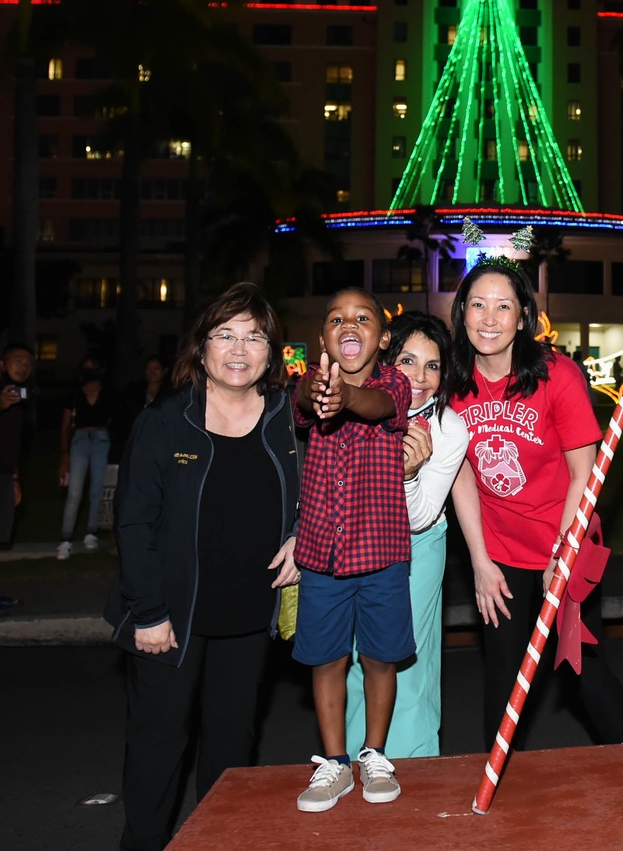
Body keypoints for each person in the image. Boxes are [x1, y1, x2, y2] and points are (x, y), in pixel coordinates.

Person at [104, 282, 300, 851]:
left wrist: (301, 538)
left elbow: (323, 487)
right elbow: (135, 521)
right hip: (170, 617)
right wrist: (148, 612)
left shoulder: (288, 419)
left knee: (231, 750)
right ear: (203, 347)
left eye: (254, 337)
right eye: (226, 335)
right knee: (158, 745)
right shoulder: (166, 420)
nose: (239, 350)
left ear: (271, 351)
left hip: (248, 616)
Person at [448, 258, 623, 751]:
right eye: (477, 304)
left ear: (523, 317)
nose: (489, 318)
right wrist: (479, 561)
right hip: (502, 552)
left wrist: (563, 551)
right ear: (462, 313)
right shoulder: (454, 382)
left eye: (503, 306)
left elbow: (585, 473)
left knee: (583, 670)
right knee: (505, 676)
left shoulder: (557, 375)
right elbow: (462, 474)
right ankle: (499, 797)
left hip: (567, 539)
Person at [292, 288, 413, 813]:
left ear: (382, 338)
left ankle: (374, 754)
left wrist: (344, 397)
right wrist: (320, 392)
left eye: (363, 318)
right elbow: (301, 401)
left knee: (381, 659)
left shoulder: (394, 384)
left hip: (382, 555)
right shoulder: (309, 385)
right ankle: (335, 763)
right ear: (323, 337)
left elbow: (378, 405)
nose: (349, 324)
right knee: (326, 660)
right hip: (322, 557)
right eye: (337, 318)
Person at [344, 311, 469, 758]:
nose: (420, 377)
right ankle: (359, 761)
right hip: (358, 544)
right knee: (358, 659)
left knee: (405, 660)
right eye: (408, 361)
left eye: (432, 366)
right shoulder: (359, 408)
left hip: (417, 546)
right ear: (386, 362)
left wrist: (410, 474)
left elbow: (418, 517)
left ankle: (412, 762)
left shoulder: (449, 429)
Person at [0, 344, 35, 617]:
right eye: (18, 360)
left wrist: (15, 478)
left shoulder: (21, 399)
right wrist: (0, 403)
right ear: (2, 364)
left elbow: (13, 442)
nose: (23, 366)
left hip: (3, 473)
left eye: (28, 363)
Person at [57, 355, 119, 559]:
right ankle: (65, 539)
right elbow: (65, 427)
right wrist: (64, 455)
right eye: (85, 367)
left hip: (102, 440)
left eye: (92, 367)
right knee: (74, 492)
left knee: (97, 491)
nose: (89, 371)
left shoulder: (109, 393)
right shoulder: (74, 394)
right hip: (80, 441)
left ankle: (90, 533)